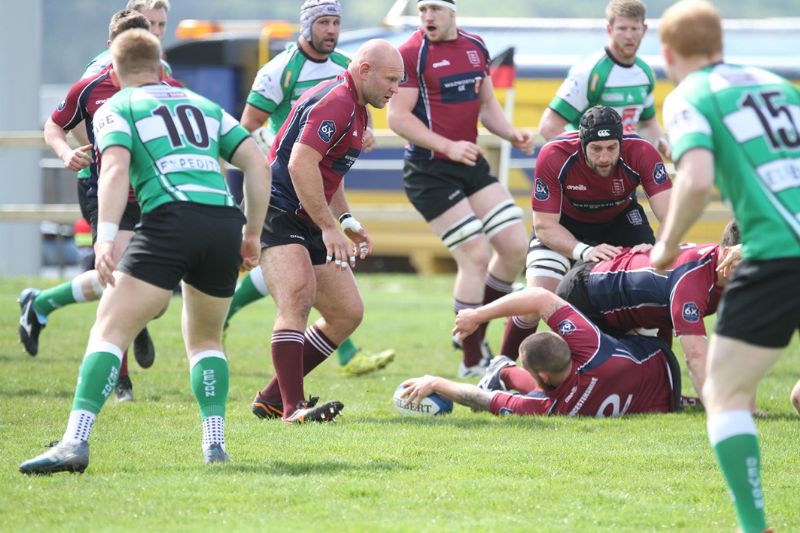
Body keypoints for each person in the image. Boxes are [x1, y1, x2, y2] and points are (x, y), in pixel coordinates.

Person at [19, 28, 269, 474]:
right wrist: (251, 232)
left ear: (114, 70)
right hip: (222, 221)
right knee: (207, 339)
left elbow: (113, 172)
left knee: (109, 329)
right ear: (160, 68)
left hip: (170, 219)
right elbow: (256, 160)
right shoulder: (203, 104)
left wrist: (105, 237)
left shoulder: (118, 104)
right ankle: (215, 444)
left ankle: (74, 443)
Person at [650, 2, 800, 531]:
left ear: (668, 54)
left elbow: (694, 179)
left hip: (779, 251)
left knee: (726, 394)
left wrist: (667, 244)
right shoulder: (779, 86)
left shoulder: (691, 94)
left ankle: (754, 526)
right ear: (721, 42)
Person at [20, 9, 178, 402]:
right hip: (105, 190)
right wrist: (68, 153)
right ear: (112, 48)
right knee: (119, 279)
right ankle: (120, 382)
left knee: (154, 299)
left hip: (150, 193)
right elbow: (57, 123)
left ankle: (41, 303)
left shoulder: (166, 80)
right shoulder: (92, 83)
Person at [230, 0, 394, 378]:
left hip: (314, 191)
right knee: (296, 292)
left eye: (336, 22)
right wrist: (277, 154)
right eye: (323, 22)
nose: (331, 30)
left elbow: (326, 165)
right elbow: (250, 129)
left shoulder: (348, 70)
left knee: (340, 305)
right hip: (281, 189)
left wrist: (344, 215)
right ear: (306, 26)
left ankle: (281, 390)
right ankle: (289, 401)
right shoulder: (279, 71)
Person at [252, 39, 404, 424]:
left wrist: (347, 222)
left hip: (309, 213)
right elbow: (301, 165)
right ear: (364, 70)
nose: (394, 89)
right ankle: (292, 408)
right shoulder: (337, 102)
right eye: (390, 79)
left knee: (346, 312)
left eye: (399, 81)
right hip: (278, 208)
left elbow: (327, 173)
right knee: (297, 298)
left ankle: (271, 398)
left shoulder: (358, 107)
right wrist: (328, 226)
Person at [387, 0, 533, 377]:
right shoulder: (411, 54)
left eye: (435, 8)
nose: (427, 17)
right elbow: (397, 117)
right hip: (428, 172)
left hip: (469, 163)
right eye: (421, 9)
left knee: (516, 245)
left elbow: (487, 108)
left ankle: (473, 329)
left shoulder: (475, 47)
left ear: (453, 12)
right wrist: (446, 145)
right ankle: (471, 359)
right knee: (474, 253)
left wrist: (511, 133)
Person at [499, 105, 672, 361]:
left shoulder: (642, 151)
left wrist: (660, 246)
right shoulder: (554, 154)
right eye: (596, 149)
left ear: (621, 143)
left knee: (657, 289)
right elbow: (544, 225)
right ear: (582, 143)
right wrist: (584, 251)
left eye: (612, 148)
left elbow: (671, 214)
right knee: (533, 302)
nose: (604, 157)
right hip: (565, 226)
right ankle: (499, 371)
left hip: (620, 221)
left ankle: (663, 380)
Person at [400, 286, 680, 417]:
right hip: (662, 363)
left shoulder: (551, 408)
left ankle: (502, 371)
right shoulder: (590, 347)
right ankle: (502, 370)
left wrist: (434, 382)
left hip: (663, 385)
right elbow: (541, 296)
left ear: (543, 375)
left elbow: (480, 398)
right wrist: (479, 315)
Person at [556, 220, 741, 402]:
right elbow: (695, 355)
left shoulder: (728, 270)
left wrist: (749, 406)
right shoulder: (693, 279)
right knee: (576, 389)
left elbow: (741, 343)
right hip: (585, 294)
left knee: (659, 391)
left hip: (622, 310)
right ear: (726, 253)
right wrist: (721, 411)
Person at [537, 0, 668, 156]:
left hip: (624, 175)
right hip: (590, 175)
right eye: (622, 28)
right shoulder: (589, 72)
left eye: (634, 28)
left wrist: (658, 143)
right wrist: (588, 162)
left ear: (644, 30)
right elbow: (548, 126)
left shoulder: (645, 73)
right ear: (609, 30)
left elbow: (647, 123)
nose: (628, 35)